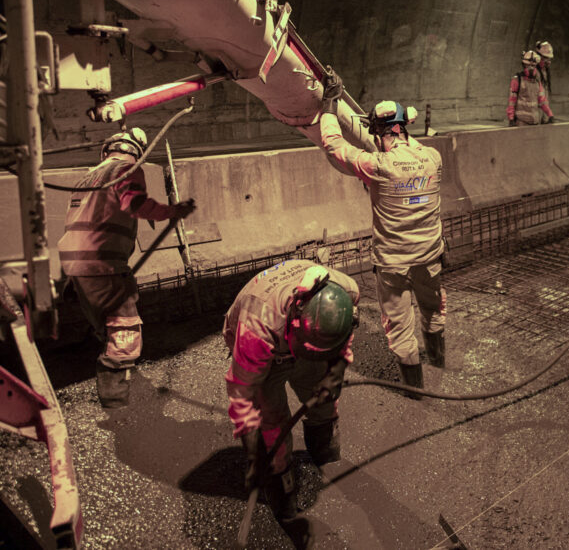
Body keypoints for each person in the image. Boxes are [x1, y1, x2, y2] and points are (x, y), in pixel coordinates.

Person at [318, 70, 445, 396]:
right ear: (405, 128)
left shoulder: (377, 166)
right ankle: (439, 363)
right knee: (433, 308)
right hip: (430, 254)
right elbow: (406, 145)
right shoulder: (432, 158)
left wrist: (329, 106)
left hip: (393, 264)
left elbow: (334, 147)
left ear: (378, 133)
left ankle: (416, 392)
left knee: (400, 326)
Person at [57, 128, 195, 408]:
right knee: (125, 332)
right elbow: (135, 204)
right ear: (137, 151)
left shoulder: (87, 176)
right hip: (103, 263)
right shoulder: (127, 168)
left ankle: (109, 371)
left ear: (106, 149)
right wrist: (171, 211)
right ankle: (115, 402)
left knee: (105, 327)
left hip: (75, 264)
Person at [224, 260, 357, 530]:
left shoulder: (346, 290)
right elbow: (242, 395)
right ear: (295, 318)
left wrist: (336, 369)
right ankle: (282, 492)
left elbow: (347, 331)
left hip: (298, 338)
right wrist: (254, 452)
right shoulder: (255, 330)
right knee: (272, 424)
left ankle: (325, 452)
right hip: (268, 348)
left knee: (323, 397)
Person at [507, 50, 555, 126]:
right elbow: (512, 102)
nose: (531, 68)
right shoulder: (517, 80)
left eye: (533, 66)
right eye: (528, 65)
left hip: (535, 121)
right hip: (521, 122)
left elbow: (542, 100)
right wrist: (511, 118)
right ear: (524, 65)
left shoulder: (537, 82)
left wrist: (550, 114)